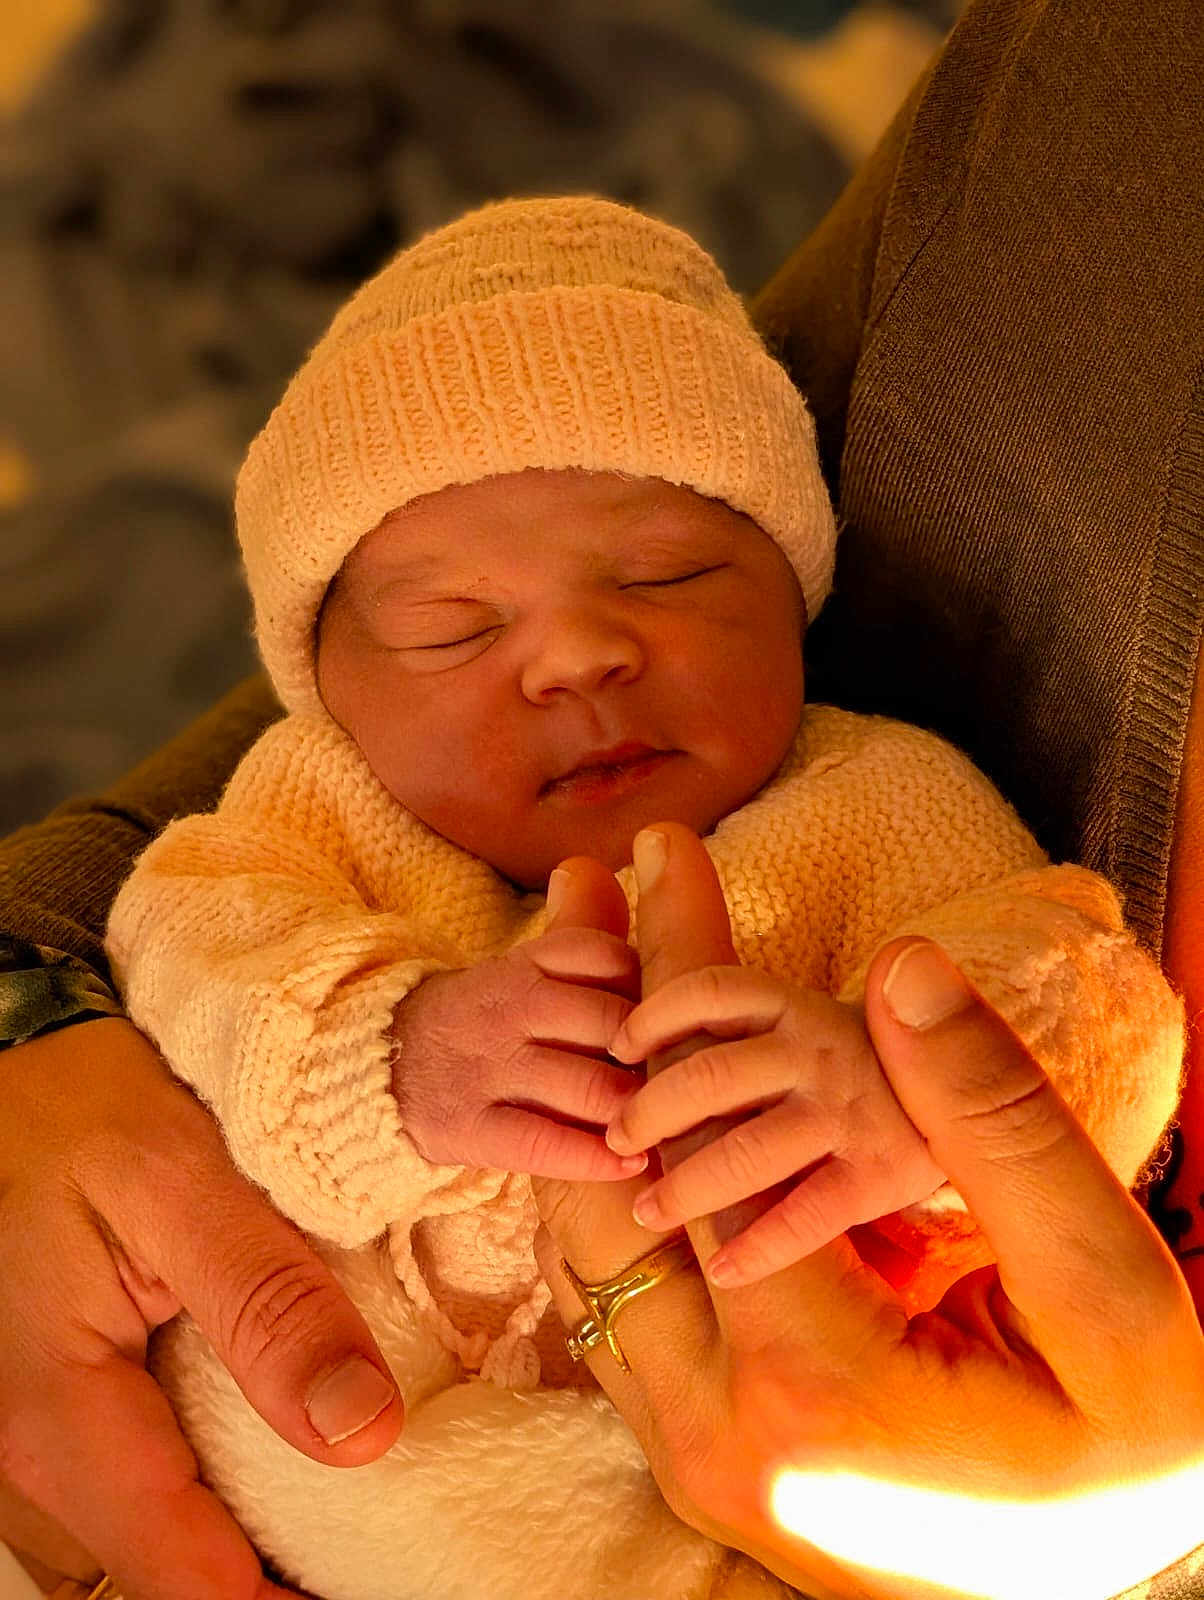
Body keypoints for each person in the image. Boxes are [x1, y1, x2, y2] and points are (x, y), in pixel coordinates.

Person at [0, 0, 1200, 1596]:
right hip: (325, 1454)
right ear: (326, 682)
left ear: (798, 593)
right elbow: (184, 947)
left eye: (673, 574)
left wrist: (897, 1097)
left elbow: (1076, 989)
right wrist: (397, 1056)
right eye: (453, 628)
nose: (576, 655)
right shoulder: (313, 806)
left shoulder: (881, 792)